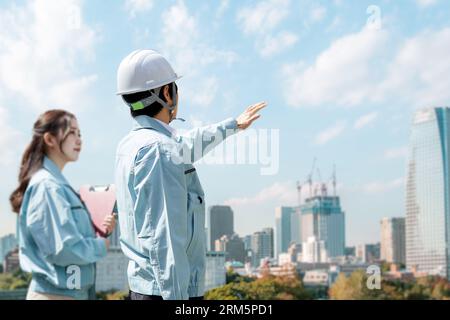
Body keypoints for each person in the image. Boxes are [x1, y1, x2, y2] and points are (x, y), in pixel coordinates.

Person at [115, 49, 267, 300]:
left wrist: (233, 125)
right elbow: (163, 240)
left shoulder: (134, 144)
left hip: (147, 289)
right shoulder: (158, 150)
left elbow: (188, 143)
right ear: (166, 92)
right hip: (169, 292)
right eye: (174, 87)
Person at [10, 110, 116, 300]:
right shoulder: (48, 186)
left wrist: (99, 231)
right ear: (50, 139)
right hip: (55, 294)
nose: (79, 140)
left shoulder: (57, 185)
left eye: (80, 134)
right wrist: (100, 245)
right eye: (72, 132)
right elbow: (63, 249)